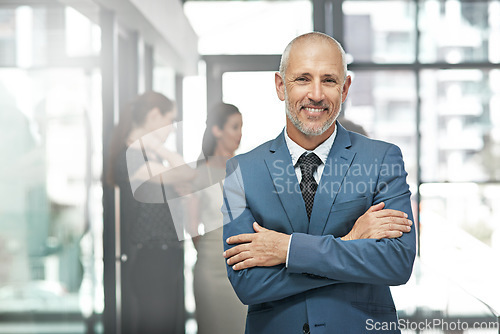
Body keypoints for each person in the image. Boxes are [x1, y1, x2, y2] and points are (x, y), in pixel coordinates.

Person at [222, 32, 416, 334]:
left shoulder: (382, 159)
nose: (316, 94)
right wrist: (350, 243)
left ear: (345, 87)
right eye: (302, 79)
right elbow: (249, 284)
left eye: (328, 80)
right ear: (280, 86)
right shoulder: (241, 171)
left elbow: (396, 262)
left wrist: (287, 250)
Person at [107, 91, 194, 334]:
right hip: (151, 261)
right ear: (154, 115)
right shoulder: (132, 156)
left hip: (166, 258)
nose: (172, 129)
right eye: (170, 120)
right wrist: (154, 144)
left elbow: (184, 180)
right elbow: (188, 173)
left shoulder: (146, 156)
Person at [192, 102, 247, 334]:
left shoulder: (246, 167)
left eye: (241, 127)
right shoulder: (198, 173)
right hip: (211, 270)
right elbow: (192, 229)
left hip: (244, 268)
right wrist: (216, 250)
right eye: (235, 127)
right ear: (217, 130)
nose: (240, 134)